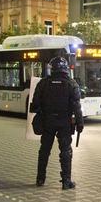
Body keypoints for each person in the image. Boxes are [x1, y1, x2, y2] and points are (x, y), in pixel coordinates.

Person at [30, 57, 83, 189]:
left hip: (47, 121)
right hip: (64, 122)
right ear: (65, 68)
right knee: (66, 151)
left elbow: (35, 104)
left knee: (44, 150)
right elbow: (77, 106)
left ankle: (40, 179)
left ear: (51, 68)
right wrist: (80, 123)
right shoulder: (72, 84)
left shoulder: (43, 83)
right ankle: (66, 181)